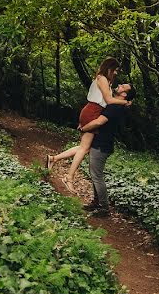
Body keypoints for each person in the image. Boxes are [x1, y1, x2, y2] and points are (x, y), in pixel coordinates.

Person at [46, 57, 130, 188]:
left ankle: (54, 159)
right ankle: (69, 178)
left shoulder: (105, 81)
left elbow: (107, 99)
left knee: (84, 148)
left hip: (93, 111)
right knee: (84, 148)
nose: (116, 73)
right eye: (115, 70)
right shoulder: (102, 78)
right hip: (93, 111)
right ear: (109, 68)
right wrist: (125, 102)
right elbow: (108, 100)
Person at [80, 84, 135, 216]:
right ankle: (96, 202)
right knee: (94, 173)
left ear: (124, 94)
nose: (119, 85)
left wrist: (84, 128)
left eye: (123, 86)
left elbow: (99, 122)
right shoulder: (116, 104)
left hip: (102, 144)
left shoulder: (115, 107)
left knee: (97, 175)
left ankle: (104, 208)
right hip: (101, 143)